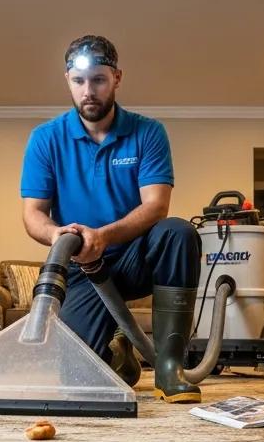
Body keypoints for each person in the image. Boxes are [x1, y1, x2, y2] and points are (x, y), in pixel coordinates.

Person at [21, 35, 204, 403]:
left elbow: (156, 206)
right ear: (68, 80)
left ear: (117, 78)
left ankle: (169, 368)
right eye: (79, 81)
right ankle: (120, 355)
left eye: (99, 80)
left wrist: (103, 236)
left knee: (178, 233)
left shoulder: (147, 132)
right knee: (78, 383)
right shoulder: (45, 139)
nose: (89, 90)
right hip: (82, 265)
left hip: (135, 257)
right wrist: (60, 234)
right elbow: (33, 214)